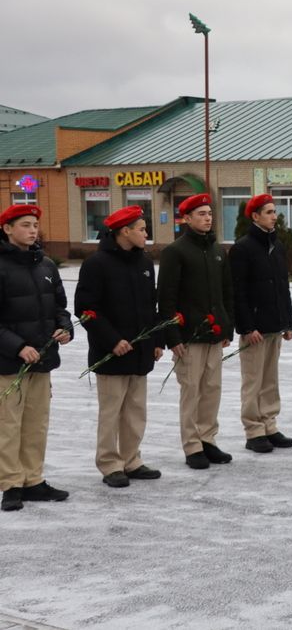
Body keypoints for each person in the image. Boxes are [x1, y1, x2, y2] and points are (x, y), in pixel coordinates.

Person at [75, 206, 163, 488]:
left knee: (136, 410)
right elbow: (86, 310)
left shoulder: (144, 263)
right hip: (111, 353)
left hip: (140, 351)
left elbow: (152, 306)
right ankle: (110, 463)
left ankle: (131, 459)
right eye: (141, 229)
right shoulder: (97, 264)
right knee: (111, 411)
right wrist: (112, 340)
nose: (146, 234)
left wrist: (156, 340)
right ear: (124, 232)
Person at [0, 204, 73, 512]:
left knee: (36, 424)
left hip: (42, 361)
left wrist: (64, 327)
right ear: (7, 229)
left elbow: (59, 306)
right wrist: (17, 346)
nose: (32, 230)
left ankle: (33, 480)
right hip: (8, 362)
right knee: (9, 424)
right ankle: (11, 484)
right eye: (25, 225)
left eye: (34, 225)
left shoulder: (45, 265)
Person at [158, 193, 235, 470]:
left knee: (212, 389)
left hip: (214, 334)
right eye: (201, 214)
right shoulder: (175, 252)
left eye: (209, 213)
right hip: (189, 336)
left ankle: (207, 440)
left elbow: (227, 293)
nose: (207, 218)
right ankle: (192, 446)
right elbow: (166, 298)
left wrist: (228, 326)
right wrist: (173, 337)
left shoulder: (217, 251)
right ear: (187, 218)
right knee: (191, 391)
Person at [229, 194, 292, 453]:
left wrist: (287, 322)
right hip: (255, 329)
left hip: (274, 325)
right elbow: (238, 291)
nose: (274, 216)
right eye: (268, 212)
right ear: (255, 216)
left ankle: (270, 425)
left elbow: (283, 287)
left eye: (274, 211)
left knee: (270, 380)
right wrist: (247, 326)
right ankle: (253, 430)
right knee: (253, 381)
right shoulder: (243, 248)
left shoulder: (277, 246)